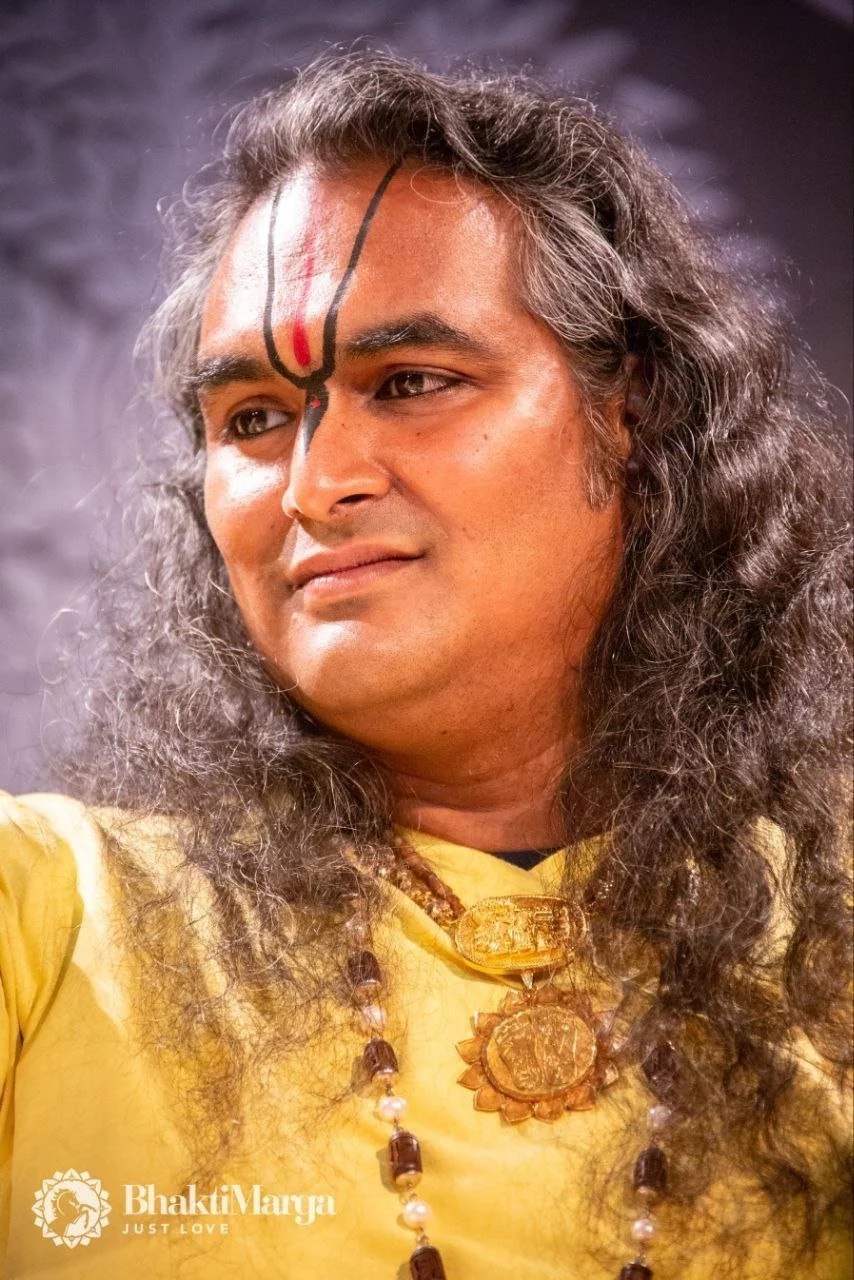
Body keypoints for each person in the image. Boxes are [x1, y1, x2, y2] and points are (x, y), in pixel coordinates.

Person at [1, 50, 851, 1280]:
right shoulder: (46, 914)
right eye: (251, 418)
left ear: (630, 412)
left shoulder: (824, 934)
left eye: (409, 382)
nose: (312, 484)